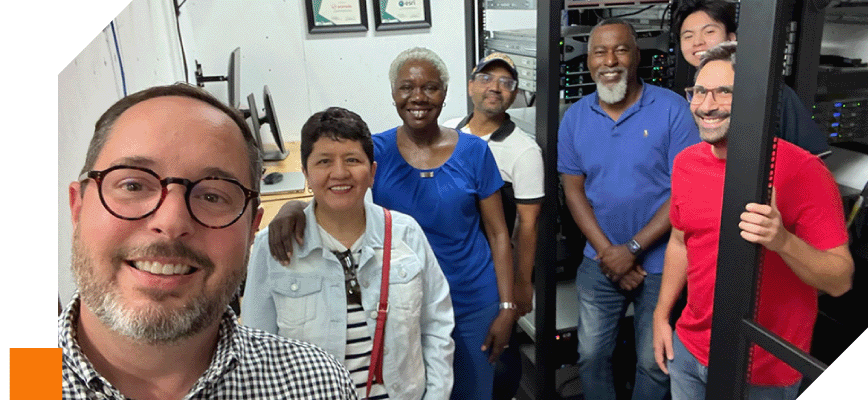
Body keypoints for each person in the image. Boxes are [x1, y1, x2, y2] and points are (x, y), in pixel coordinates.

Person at [60, 83, 357, 400]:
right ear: (78, 207)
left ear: (251, 228)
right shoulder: (16, 380)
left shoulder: (315, 386)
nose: (171, 222)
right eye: (133, 185)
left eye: (213, 196)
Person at [268, 47, 518, 400]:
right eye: (406, 88)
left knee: (472, 392)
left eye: (430, 87)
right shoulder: (379, 151)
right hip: (405, 302)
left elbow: (498, 233)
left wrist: (507, 307)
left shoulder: (474, 152)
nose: (418, 97)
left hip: (473, 301)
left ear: (445, 94)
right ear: (393, 94)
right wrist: (291, 206)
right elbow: (338, 186)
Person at [652, 41, 854, 400]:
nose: (705, 105)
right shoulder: (687, 162)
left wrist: (782, 240)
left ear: (753, 100)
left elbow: (840, 280)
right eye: (698, 91)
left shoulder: (803, 171)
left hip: (764, 370)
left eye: (722, 93)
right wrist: (661, 315)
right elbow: (681, 242)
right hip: (689, 353)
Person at [242, 107, 455, 399]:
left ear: (373, 173)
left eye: (353, 160)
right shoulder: (274, 247)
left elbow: (437, 327)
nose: (339, 173)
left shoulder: (407, 235)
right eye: (324, 161)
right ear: (305, 173)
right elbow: (256, 353)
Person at [557, 19, 700, 400]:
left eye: (620, 49)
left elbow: (685, 193)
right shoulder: (574, 118)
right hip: (599, 260)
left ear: (637, 56)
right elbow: (574, 192)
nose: (610, 60)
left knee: (654, 362)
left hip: (662, 262)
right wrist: (610, 254)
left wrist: (632, 249)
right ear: (587, 61)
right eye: (600, 52)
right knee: (590, 355)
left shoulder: (673, 110)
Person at [443, 52, 544, 400]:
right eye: (486, 78)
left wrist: (520, 285)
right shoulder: (448, 132)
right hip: (448, 269)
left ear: (514, 94)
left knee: (495, 360)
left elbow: (527, 226)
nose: (494, 88)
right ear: (471, 86)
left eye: (506, 82)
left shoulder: (523, 151)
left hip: (490, 278)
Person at [670, 0, 829, 156]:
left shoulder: (772, 93)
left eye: (709, 31)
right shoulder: (682, 96)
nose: (698, 42)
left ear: (731, 38)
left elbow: (813, 160)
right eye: (688, 36)